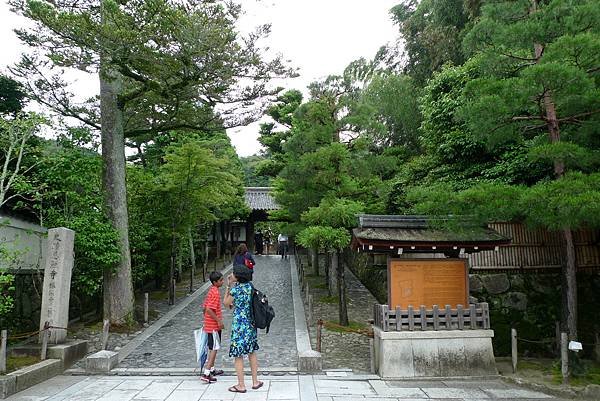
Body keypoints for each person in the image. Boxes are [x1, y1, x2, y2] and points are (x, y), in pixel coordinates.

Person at [223, 265, 263, 393]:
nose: (232, 275)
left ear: (238, 276)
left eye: (234, 273)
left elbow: (226, 303)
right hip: (250, 324)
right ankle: (255, 382)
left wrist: (228, 285)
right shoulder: (249, 287)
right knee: (252, 352)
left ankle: (241, 385)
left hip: (239, 325)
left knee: (238, 355)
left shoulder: (236, 289)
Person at [200, 271, 225, 383]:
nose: (222, 282)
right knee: (214, 348)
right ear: (215, 282)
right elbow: (209, 309)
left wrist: (206, 321)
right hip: (214, 326)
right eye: (220, 280)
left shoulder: (211, 290)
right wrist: (218, 321)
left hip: (209, 325)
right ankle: (206, 373)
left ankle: (212, 369)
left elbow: (204, 308)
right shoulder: (215, 293)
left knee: (212, 347)